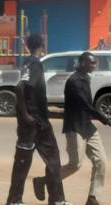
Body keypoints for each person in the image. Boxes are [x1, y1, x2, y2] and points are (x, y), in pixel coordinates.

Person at [33, 52, 111, 205]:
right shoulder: (74, 81)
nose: (94, 66)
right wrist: (106, 121)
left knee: (101, 161)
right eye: (92, 63)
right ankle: (43, 181)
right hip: (75, 127)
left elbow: (88, 106)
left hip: (88, 126)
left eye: (95, 63)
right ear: (82, 63)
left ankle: (93, 198)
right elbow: (85, 105)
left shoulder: (85, 78)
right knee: (75, 165)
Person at [6, 34, 72, 205]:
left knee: (39, 160)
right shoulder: (35, 63)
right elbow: (20, 87)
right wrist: (27, 115)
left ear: (28, 45)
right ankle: (18, 201)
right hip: (34, 123)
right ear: (42, 46)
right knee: (36, 160)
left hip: (36, 122)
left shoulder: (27, 62)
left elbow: (22, 87)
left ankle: (55, 199)